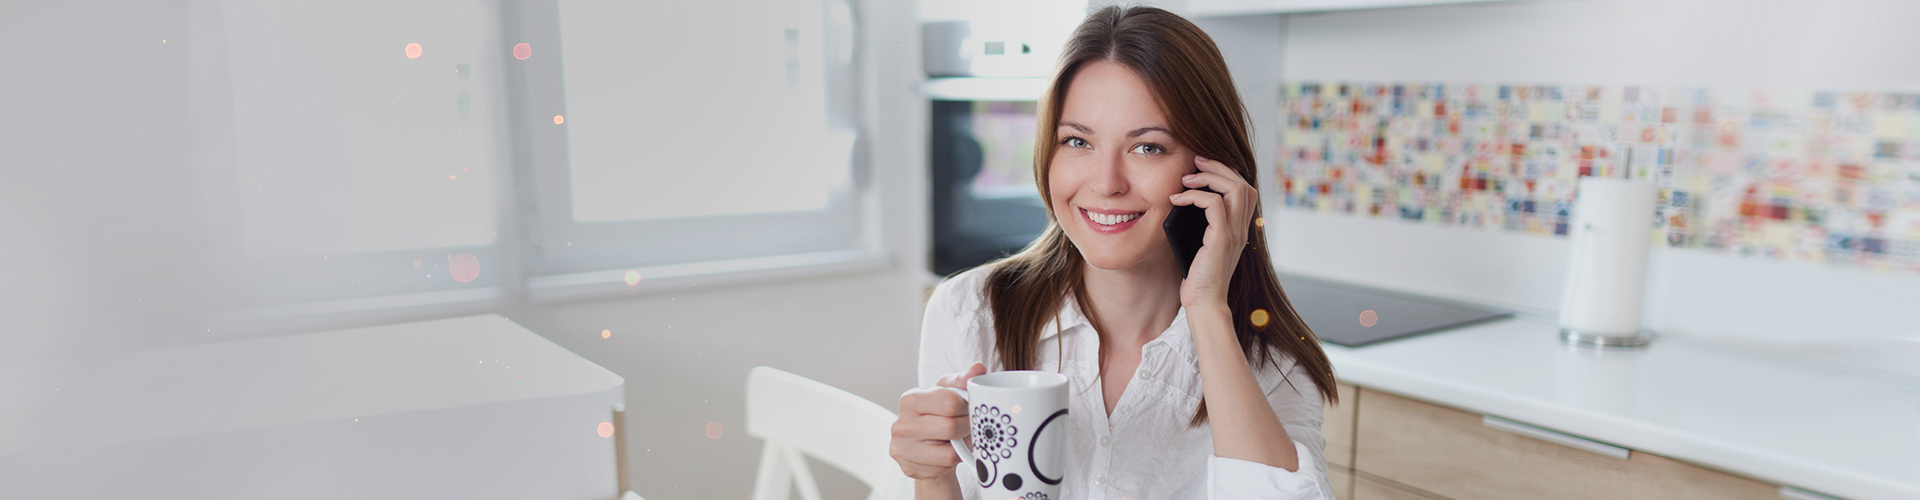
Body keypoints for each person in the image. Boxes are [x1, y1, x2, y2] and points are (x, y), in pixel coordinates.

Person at [889, 5, 1339, 499]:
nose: (1105, 184)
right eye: (1077, 141)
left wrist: (1208, 310)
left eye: (1147, 148)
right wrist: (932, 475)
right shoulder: (970, 311)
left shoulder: (1273, 366)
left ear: (1213, 174)